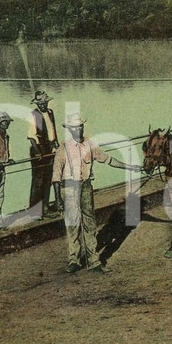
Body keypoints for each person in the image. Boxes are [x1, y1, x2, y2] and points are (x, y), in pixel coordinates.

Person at [52, 113, 141, 274]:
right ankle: (74, 260)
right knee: (73, 225)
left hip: (85, 187)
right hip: (69, 189)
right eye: (75, 128)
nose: (79, 130)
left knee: (89, 224)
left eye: (81, 126)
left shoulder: (89, 145)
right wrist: (58, 198)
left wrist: (130, 167)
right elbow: (56, 176)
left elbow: (108, 159)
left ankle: (93, 261)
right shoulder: (63, 149)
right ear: (70, 130)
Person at [27, 90, 59, 219]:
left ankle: (45, 208)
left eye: (44, 102)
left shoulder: (50, 113)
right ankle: (35, 211)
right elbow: (31, 137)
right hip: (39, 150)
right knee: (38, 181)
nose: (42, 105)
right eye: (40, 103)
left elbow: (52, 130)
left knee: (48, 179)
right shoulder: (34, 115)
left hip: (50, 149)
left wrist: (55, 143)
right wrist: (37, 152)